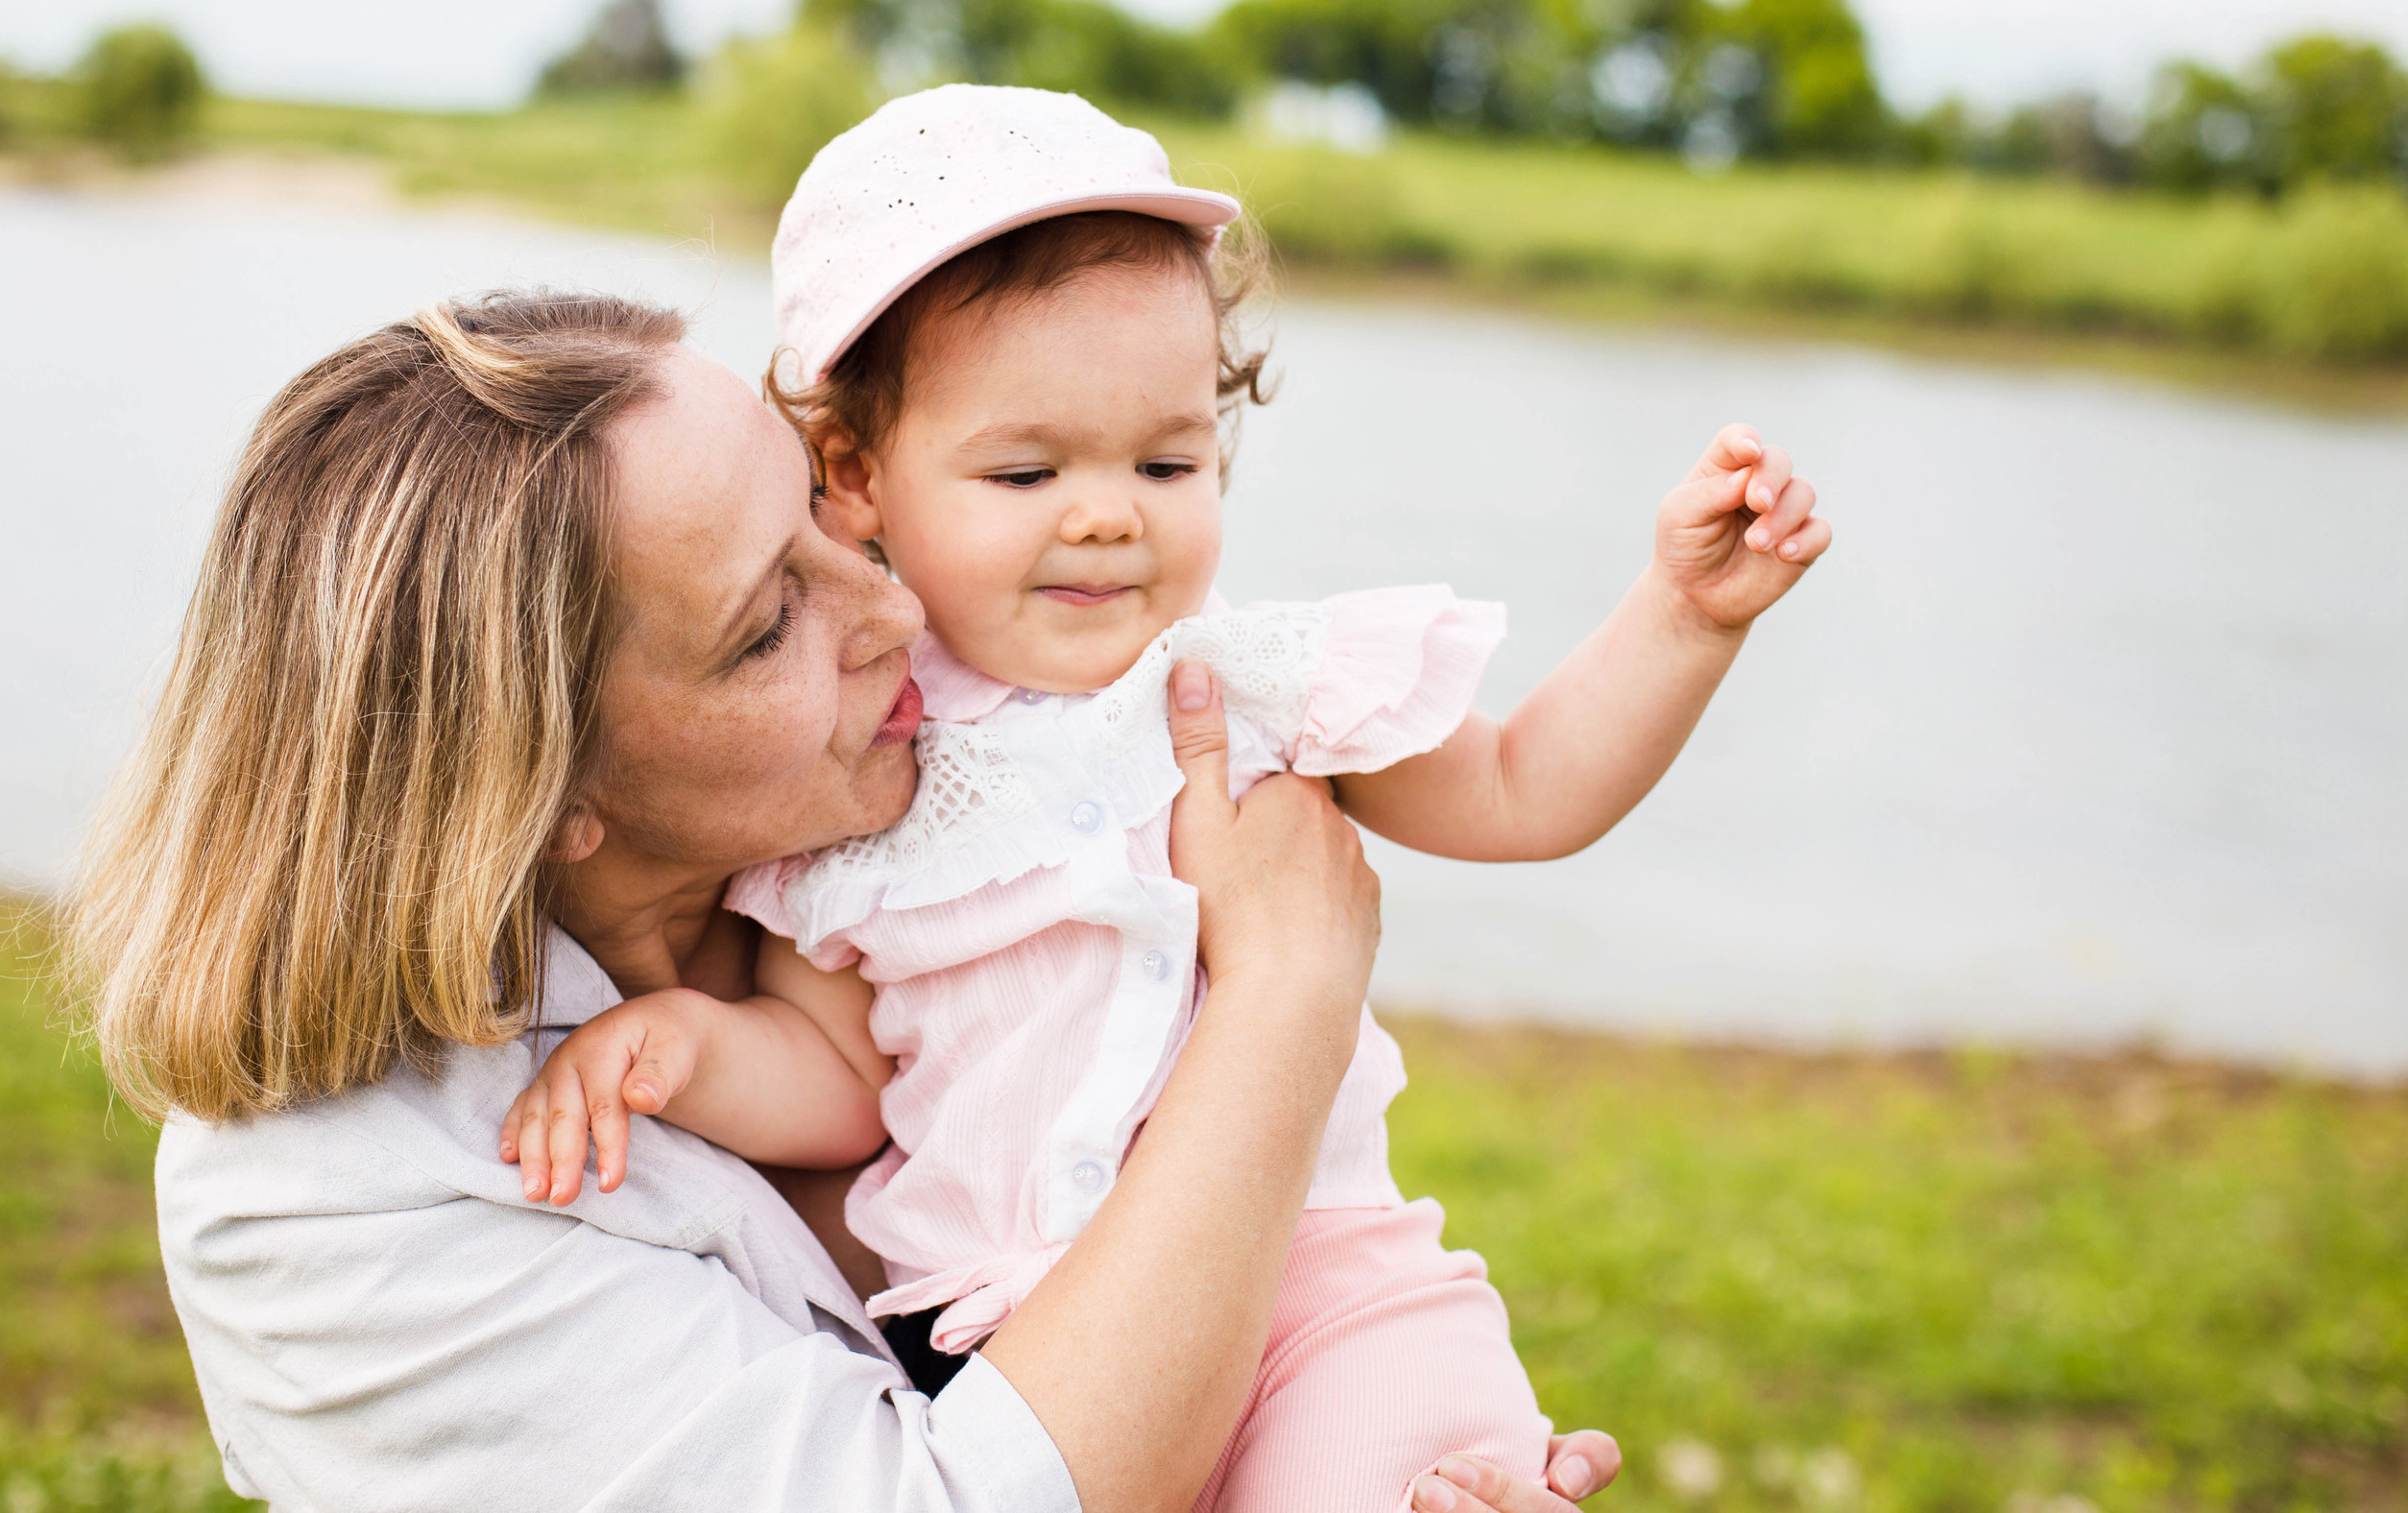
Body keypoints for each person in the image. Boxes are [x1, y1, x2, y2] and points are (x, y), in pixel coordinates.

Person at [60, 290, 1621, 1513]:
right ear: (544, 794)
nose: (892, 606)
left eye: (827, 509)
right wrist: (1285, 989)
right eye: (763, 628)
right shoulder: (341, 1201)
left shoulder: (895, 881)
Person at [508, 88, 1829, 1511]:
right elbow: (841, 1079)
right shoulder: (857, 769)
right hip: (1025, 1344)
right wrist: (685, 1051)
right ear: (855, 472)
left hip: (1329, 1300)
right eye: (1026, 469)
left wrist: (1685, 619)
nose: (1106, 513)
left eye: (1168, 460)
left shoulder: (1244, 682)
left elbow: (1522, 789)